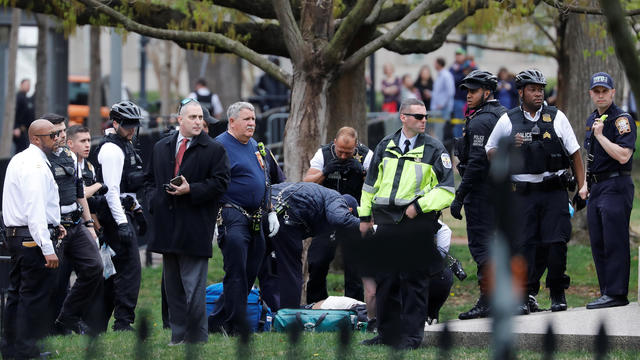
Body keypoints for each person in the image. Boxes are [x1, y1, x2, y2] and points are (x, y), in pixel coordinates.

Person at [485, 69, 585, 314]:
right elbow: (489, 149)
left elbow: (575, 153)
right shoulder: (508, 120)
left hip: (553, 191)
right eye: (533, 89)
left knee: (556, 244)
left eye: (541, 89)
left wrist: (583, 186)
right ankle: (523, 295)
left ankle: (558, 294)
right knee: (523, 245)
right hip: (523, 193)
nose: (539, 93)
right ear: (521, 92)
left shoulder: (556, 117)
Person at [359, 98, 455, 350]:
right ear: (403, 117)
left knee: (414, 280)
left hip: (417, 222)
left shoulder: (435, 149)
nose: (424, 121)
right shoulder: (385, 144)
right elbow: (370, 185)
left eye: (426, 116)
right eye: (418, 116)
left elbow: (447, 190)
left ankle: (412, 337)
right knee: (386, 279)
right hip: (387, 221)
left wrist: (419, 206)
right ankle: (386, 333)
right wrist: (364, 217)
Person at [145, 98, 230, 344]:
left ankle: (197, 338)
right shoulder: (162, 146)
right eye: (192, 117)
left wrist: (191, 190)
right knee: (172, 288)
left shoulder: (214, 149)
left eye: (200, 117)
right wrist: (154, 201)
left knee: (193, 287)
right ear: (179, 120)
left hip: (194, 226)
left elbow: (221, 183)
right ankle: (178, 335)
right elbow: (149, 180)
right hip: (166, 227)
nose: (198, 121)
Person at [209, 101, 280, 335]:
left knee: (251, 270)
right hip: (232, 214)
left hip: (257, 216)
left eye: (253, 119)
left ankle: (217, 321)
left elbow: (266, 180)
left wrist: (270, 211)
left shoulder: (255, 146)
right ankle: (235, 325)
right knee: (236, 270)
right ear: (232, 121)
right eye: (246, 119)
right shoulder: (219, 147)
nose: (252, 123)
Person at [1, 119, 66, 359]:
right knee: (32, 296)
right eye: (51, 135)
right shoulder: (35, 166)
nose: (57, 138)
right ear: (36, 139)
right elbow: (34, 208)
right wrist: (47, 247)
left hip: (20, 236)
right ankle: (26, 350)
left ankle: (12, 349)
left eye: (58, 133)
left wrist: (55, 224)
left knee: (17, 293)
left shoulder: (21, 159)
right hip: (31, 238)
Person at [450, 70, 507, 319]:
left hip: (482, 192)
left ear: (487, 91)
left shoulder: (482, 120)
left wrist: (460, 196)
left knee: (482, 247)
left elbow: (476, 162)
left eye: (473, 91)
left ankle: (488, 301)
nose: (468, 96)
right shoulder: (503, 113)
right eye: (467, 92)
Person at [42, 114, 103, 336]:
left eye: (63, 131)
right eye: (56, 132)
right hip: (55, 226)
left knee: (94, 267)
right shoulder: (40, 159)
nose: (60, 136)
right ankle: (51, 326)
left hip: (76, 223)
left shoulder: (69, 155)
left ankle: (68, 317)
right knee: (56, 280)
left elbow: (79, 192)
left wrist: (88, 224)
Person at [582, 72, 635, 309]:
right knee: (599, 241)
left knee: (615, 241)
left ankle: (617, 293)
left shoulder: (621, 120)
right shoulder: (593, 118)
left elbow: (624, 156)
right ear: (591, 93)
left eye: (605, 91)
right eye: (597, 91)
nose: (601, 95)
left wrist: (601, 136)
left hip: (616, 185)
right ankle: (606, 291)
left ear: (612, 93)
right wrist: (585, 183)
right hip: (597, 186)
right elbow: (591, 156)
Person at [263, 182, 361, 311]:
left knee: (254, 264)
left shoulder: (321, 197)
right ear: (349, 210)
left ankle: (250, 312)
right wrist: (369, 226)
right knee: (291, 271)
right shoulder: (338, 199)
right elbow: (340, 219)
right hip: (285, 217)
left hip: (264, 207)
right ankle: (289, 318)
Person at [302, 127, 373, 303]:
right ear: (334, 143)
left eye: (348, 153)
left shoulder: (367, 156)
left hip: (355, 217)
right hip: (326, 218)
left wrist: (362, 173)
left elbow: (378, 186)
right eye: (340, 151)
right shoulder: (323, 154)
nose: (342, 156)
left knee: (354, 267)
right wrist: (325, 171)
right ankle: (316, 305)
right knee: (317, 261)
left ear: (356, 145)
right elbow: (307, 182)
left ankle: (354, 308)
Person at [96, 100, 146, 331]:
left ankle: (96, 322)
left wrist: (137, 211)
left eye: (134, 125)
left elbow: (126, 187)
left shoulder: (124, 145)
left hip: (121, 214)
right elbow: (111, 191)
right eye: (127, 125)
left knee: (112, 272)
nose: (132, 129)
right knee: (130, 270)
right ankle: (123, 323)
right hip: (114, 217)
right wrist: (123, 223)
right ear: (115, 123)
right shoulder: (112, 150)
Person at [450, 48, 477, 137]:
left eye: (460, 54)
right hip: (459, 100)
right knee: (459, 123)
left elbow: (477, 76)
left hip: (471, 99)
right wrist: (463, 73)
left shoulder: (471, 65)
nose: (458, 56)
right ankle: (458, 143)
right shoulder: (453, 68)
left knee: (472, 123)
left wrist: (470, 67)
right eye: (457, 55)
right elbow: (452, 80)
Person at [430, 57, 455, 141]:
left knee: (441, 132)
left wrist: (442, 104)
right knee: (437, 131)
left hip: (443, 109)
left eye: (435, 63)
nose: (434, 65)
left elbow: (450, 92)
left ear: (438, 64)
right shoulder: (440, 75)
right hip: (438, 109)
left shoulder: (446, 75)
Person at [14, 79, 35, 153]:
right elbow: (15, 113)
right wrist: (15, 127)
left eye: (29, 85)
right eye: (26, 85)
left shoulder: (26, 98)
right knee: (20, 150)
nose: (28, 87)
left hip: (26, 130)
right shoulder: (18, 97)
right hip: (20, 129)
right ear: (21, 85)